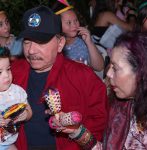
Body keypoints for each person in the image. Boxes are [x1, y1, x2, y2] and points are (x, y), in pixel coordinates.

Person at [11, 5, 108, 150]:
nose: (31, 50)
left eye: (40, 42)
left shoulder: (82, 76)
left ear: (60, 43)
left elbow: (101, 120)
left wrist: (78, 133)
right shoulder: (11, 73)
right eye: (27, 41)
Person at [59, 31, 147, 150]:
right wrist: (77, 131)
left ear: (141, 72)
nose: (108, 73)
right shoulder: (123, 107)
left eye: (115, 68)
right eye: (110, 66)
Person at [52, 0, 104, 71]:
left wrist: (89, 43)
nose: (74, 25)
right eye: (69, 22)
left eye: (76, 20)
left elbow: (100, 67)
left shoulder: (82, 43)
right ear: (57, 25)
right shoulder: (52, 45)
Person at [0, 47, 32, 150]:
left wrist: (25, 114)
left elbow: (29, 110)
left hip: (8, 143)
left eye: (8, 69)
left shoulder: (17, 91)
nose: (6, 76)